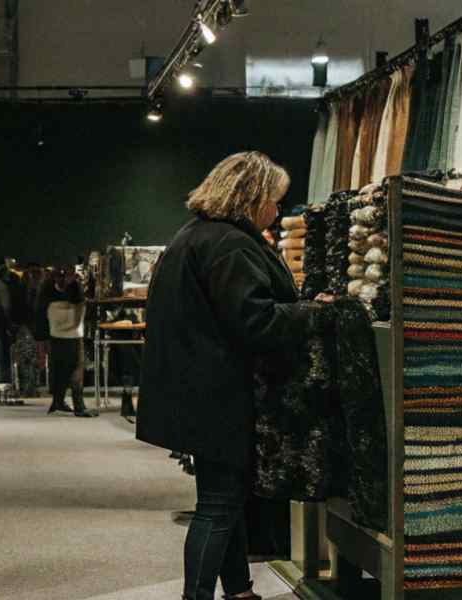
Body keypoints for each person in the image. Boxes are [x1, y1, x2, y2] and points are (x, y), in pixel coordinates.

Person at [138, 151, 329, 600]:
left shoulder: (196, 236)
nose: (278, 211)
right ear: (252, 197)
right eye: (275, 201)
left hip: (199, 392)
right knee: (219, 506)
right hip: (219, 396)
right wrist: (313, 313)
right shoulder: (229, 244)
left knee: (223, 502)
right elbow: (255, 322)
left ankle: (239, 590)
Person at [38, 266, 94, 417]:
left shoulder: (52, 299)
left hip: (62, 336)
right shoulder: (75, 303)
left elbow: (45, 318)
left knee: (63, 370)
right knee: (72, 371)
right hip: (68, 337)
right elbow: (77, 319)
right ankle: (74, 405)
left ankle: (63, 402)